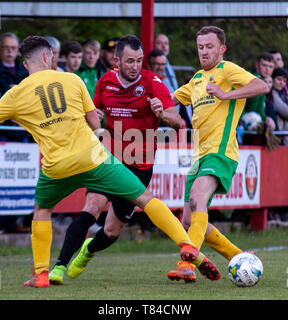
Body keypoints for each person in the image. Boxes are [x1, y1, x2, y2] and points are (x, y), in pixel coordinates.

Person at [0, 35, 219, 288]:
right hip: (94, 158)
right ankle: (186, 245)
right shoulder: (72, 80)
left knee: (42, 210)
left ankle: (41, 273)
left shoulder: (14, 94)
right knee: (146, 199)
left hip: (56, 167)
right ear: (50, 56)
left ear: (25, 63)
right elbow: (95, 123)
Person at [48, 35, 192, 285]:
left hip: (140, 164)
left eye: (138, 61)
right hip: (109, 157)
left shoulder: (153, 83)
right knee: (91, 207)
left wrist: (161, 114)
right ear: (117, 60)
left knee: (112, 231)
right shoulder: (105, 82)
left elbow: (177, 122)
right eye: (129, 61)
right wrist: (94, 115)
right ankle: (58, 267)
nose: (135, 66)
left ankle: (88, 251)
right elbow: (93, 114)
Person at [167, 26, 269, 282]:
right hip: (198, 157)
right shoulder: (197, 79)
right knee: (188, 219)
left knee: (197, 196)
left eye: (209, 46)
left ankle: (187, 262)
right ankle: (238, 255)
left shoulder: (227, 70)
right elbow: (171, 101)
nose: (204, 51)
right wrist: (157, 105)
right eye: (200, 47)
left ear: (222, 48)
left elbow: (261, 86)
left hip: (221, 152)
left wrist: (226, 94)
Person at [148, 48, 192, 128]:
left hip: (171, 120)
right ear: (149, 65)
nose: (161, 67)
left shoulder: (169, 80)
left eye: (163, 64)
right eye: (157, 64)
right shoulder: (145, 82)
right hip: (155, 124)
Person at [242, 53, 276, 131]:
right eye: (264, 65)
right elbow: (247, 105)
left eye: (270, 67)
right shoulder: (251, 78)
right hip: (238, 121)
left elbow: (260, 109)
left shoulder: (262, 82)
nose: (267, 69)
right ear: (257, 65)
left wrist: (266, 118)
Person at [270, 68, 288, 146]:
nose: (281, 83)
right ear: (273, 79)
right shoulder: (272, 94)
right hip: (277, 137)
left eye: (284, 81)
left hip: (287, 138)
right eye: (279, 79)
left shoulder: (285, 95)